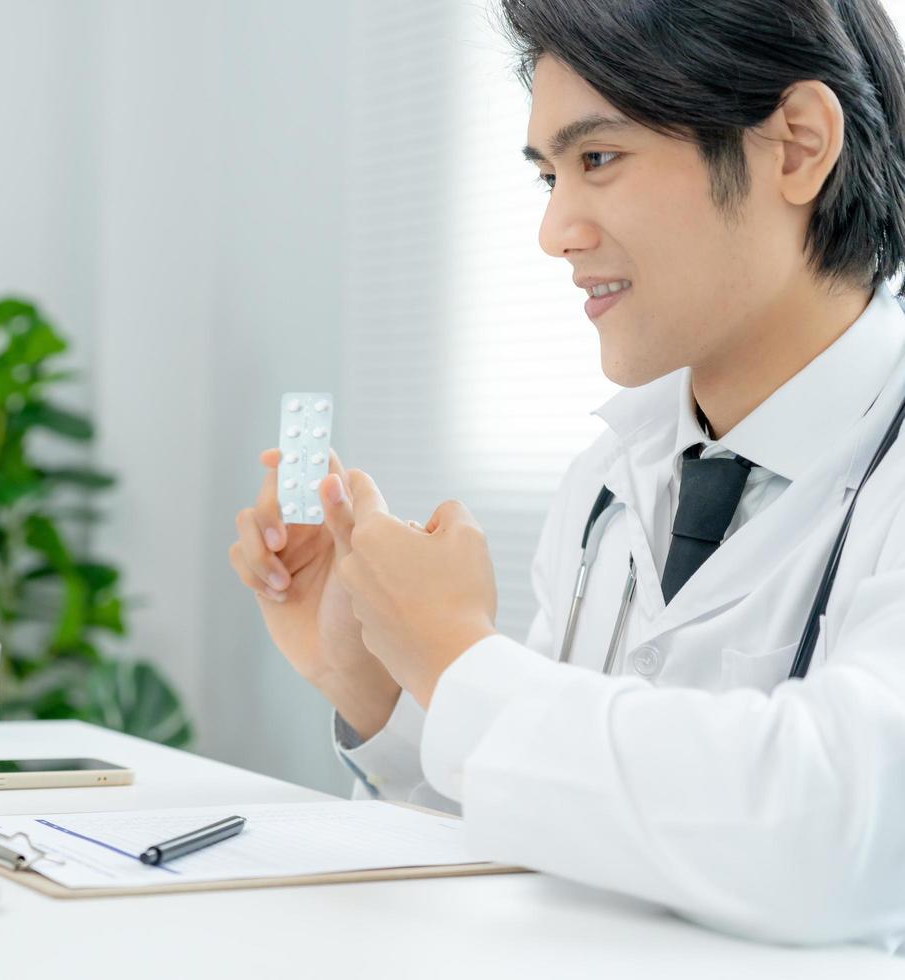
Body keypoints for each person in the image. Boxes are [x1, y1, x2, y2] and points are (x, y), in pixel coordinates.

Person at [228, 0, 905, 951]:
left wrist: (458, 654)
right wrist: (383, 682)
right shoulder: (606, 481)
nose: (554, 232)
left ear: (795, 145)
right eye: (550, 176)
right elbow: (560, 814)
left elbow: (843, 837)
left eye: (598, 159)